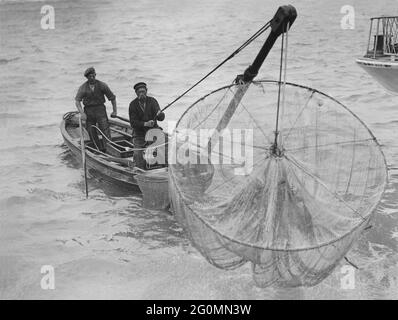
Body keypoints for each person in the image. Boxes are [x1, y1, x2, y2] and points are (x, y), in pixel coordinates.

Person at [75, 67, 117, 151]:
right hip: (89, 111)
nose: (92, 78)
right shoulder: (83, 88)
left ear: (95, 75)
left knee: (105, 129)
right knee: (91, 130)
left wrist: (114, 111)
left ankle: (110, 149)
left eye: (93, 76)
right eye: (90, 76)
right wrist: (82, 113)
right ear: (87, 77)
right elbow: (77, 101)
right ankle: (98, 149)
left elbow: (112, 98)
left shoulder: (102, 85)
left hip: (100, 109)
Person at [129, 82, 165, 169]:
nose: (142, 94)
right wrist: (145, 124)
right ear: (136, 93)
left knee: (164, 147)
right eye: (139, 92)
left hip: (154, 131)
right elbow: (133, 123)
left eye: (143, 91)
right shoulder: (132, 105)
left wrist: (160, 114)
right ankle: (139, 171)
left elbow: (161, 118)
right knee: (138, 154)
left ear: (146, 91)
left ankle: (164, 168)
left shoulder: (152, 101)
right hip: (139, 134)